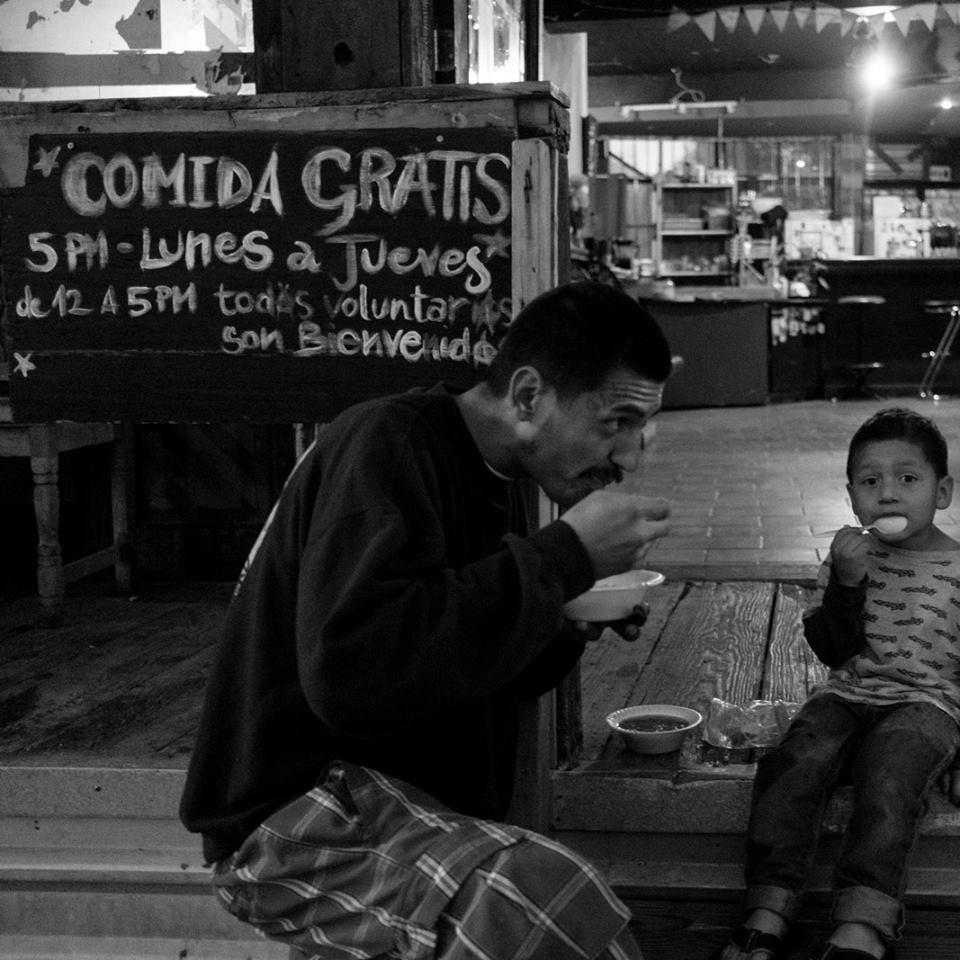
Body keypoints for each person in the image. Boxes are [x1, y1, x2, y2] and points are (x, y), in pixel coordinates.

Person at [180, 280, 675, 960]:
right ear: (528, 396)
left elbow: (461, 660)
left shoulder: (502, 480)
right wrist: (557, 561)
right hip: (299, 811)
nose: (628, 457)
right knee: (534, 898)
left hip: (402, 810)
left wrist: (561, 617)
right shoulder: (387, 443)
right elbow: (351, 672)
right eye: (614, 423)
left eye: (640, 431)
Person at [712, 407, 960, 960]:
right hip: (849, 692)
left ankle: (863, 926)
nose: (889, 494)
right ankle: (768, 906)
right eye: (871, 482)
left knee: (892, 773)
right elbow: (832, 648)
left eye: (907, 479)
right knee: (795, 760)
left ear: (941, 492)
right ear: (851, 497)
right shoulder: (849, 559)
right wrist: (848, 583)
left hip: (929, 703)